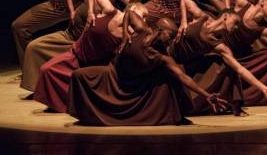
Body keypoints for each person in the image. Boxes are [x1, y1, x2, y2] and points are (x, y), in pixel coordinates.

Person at [67, 16, 228, 126]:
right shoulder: (141, 29)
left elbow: (183, 77)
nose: (172, 40)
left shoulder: (163, 57)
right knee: (78, 75)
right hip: (113, 74)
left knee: (169, 77)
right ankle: (88, 116)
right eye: (170, 36)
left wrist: (207, 96)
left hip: (136, 85)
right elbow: (129, 12)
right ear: (160, 30)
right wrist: (125, 36)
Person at [33, 0, 148, 113]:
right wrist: (90, 12)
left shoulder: (131, 33)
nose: (144, 20)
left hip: (94, 64)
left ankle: (72, 105)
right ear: (134, 8)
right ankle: (61, 104)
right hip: (76, 55)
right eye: (144, 15)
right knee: (46, 70)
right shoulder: (110, 10)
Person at [20, 0, 133, 92]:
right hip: (68, 35)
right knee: (33, 47)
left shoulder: (114, 9)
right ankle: (37, 87)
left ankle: (59, 88)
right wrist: (71, 10)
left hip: (84, 45)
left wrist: (130, 2)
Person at [168, 3, 267, 114]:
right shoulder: (203, 17)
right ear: (225, 17)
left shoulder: (220, 46)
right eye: (236, 22)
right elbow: (185, 1)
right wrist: (183, 22)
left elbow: (240, 69)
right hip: (168, 51)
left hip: (183, 64)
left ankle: (235, 104)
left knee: (228, 67)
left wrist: (263, 88)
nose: (237, 27)